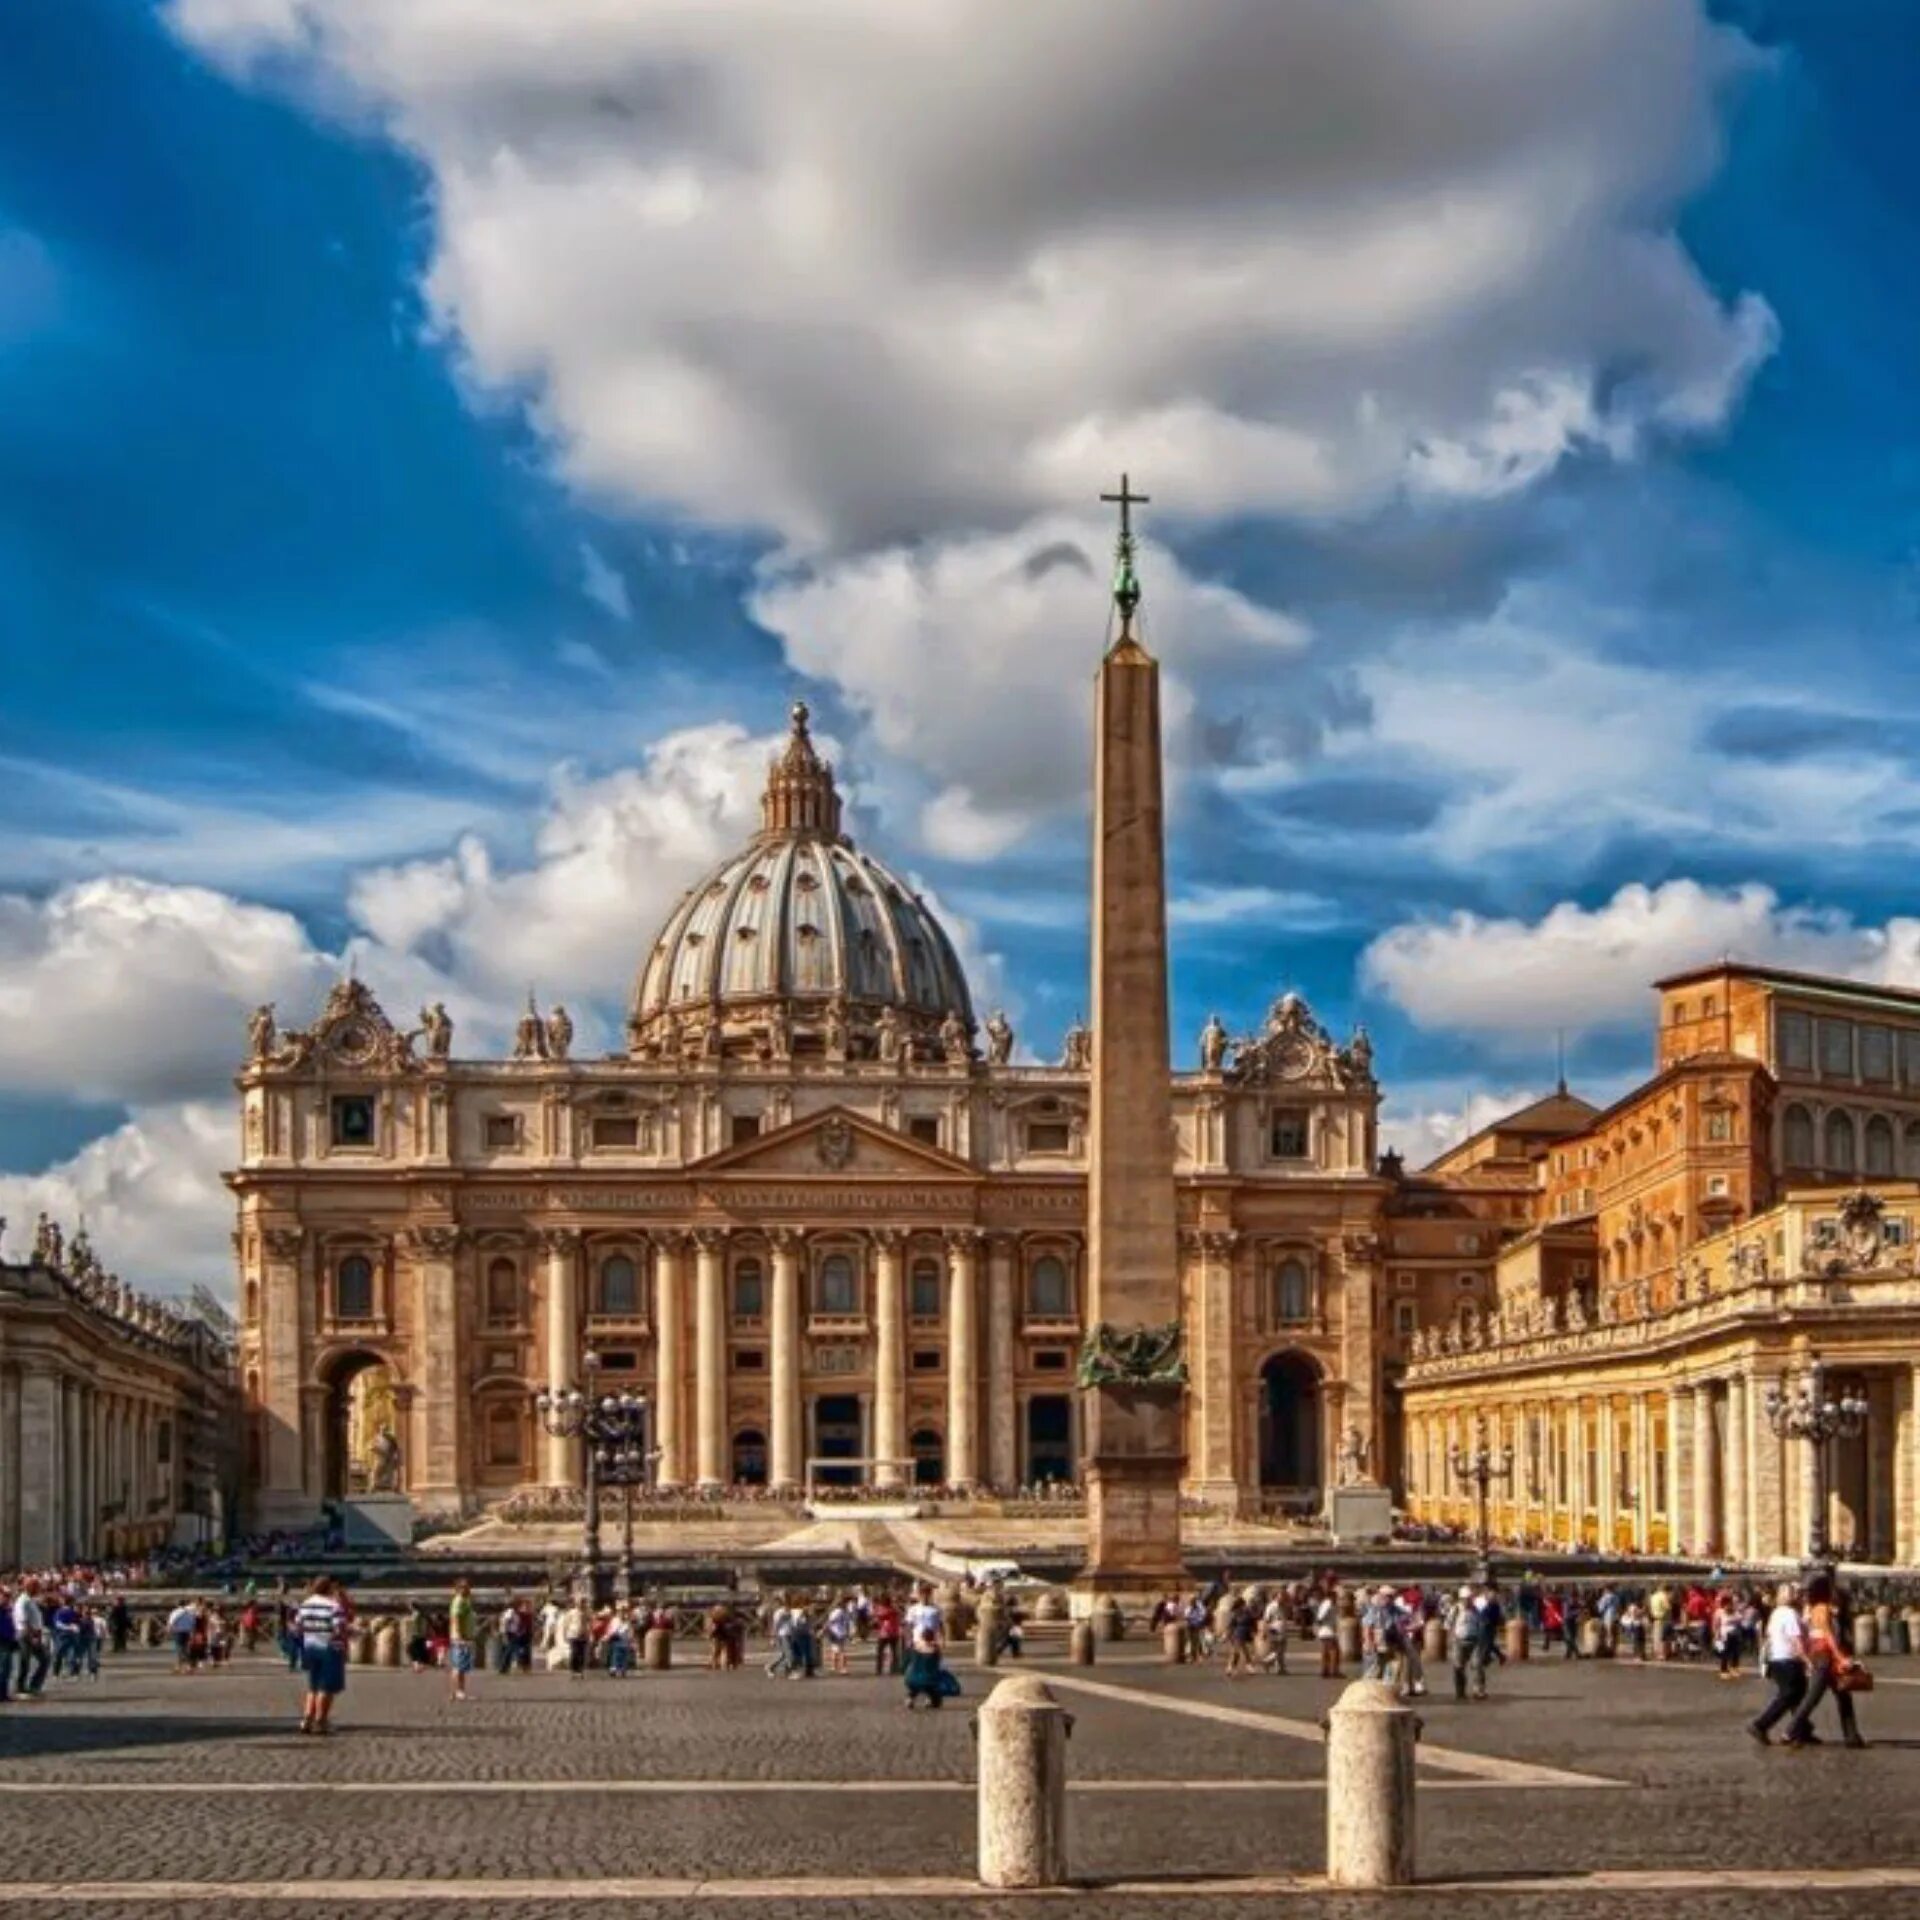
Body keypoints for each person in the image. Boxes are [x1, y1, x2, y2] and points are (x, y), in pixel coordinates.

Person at [1783, 1573, 1866, 1751]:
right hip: (1824, 1657)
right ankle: (1791, 1730)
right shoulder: (1821, 1608)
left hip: (1820, 1655)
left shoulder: (1811, 1608)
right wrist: (1841, 1657)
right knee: (1813, 1697)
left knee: (1843, 1696)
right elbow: (1828, 1636)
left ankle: (1852, 1736)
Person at [1748, 1582, 1807, 1747]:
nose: (1797, 1595)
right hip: (1787, 1659)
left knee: (1798, 1695)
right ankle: (1760, 1724)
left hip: (1778, 1658)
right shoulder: (1789, 1613)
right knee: (1789, 1695)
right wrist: (1806, 1659)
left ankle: (1801, 1730)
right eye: (1793, 1593)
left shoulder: (1777, 1613)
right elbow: (1796, 1639)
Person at [294, 1575, 348, 1736]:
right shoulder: (333, 1606)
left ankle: (306, 1719)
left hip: (310, 1646)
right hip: (329, 1648)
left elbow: (298, 1626)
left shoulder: (305, 1604)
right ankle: (321, 1721)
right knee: (326, 1687)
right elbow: (339, 1628)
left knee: (313, 1686)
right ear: (329, 1588)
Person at [447, 1581, 477, 1700]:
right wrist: (459, 1635)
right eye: (464, 1587)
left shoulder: (465, 1601)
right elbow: (456, 1618)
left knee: (461, 1666)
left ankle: (460, 1691)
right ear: (458, 1589)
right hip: (460, 1637)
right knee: (459, 1665)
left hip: (464, 1636)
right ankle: (457, 1691)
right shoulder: (459, 1601)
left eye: (468, 1587)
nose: (468, 1589)